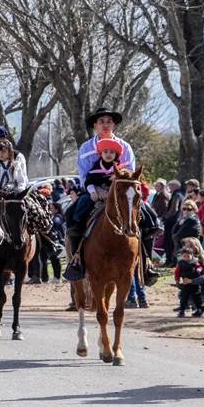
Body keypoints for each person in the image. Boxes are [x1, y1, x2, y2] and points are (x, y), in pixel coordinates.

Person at [64, 108, 136, 279]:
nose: (105, 125)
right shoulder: (86, 147)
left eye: (109, 121)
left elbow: (131, 173)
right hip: (93, 192)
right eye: (101, 122)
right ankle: (76, 259)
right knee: (72, 213)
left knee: (146, 215)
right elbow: (83, 175)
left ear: (114, 125)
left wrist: (112, 191)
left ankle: (146, 263)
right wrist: (95, 191)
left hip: (120, 193)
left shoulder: (125, 147)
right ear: (95, 125)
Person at [174, 247, 204, 318]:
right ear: (182, 256)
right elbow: (177, 272)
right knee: (183, 298)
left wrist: (199, 270)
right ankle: (182, 311)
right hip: (185, 284)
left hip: (194, 284)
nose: (186, 258)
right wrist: (177, 280)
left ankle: (199, 309)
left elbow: (200, 267)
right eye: (184, 256)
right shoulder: (181, 263)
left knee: (196, 297)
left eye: (188, 256)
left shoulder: (195, 262)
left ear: (192, 255)